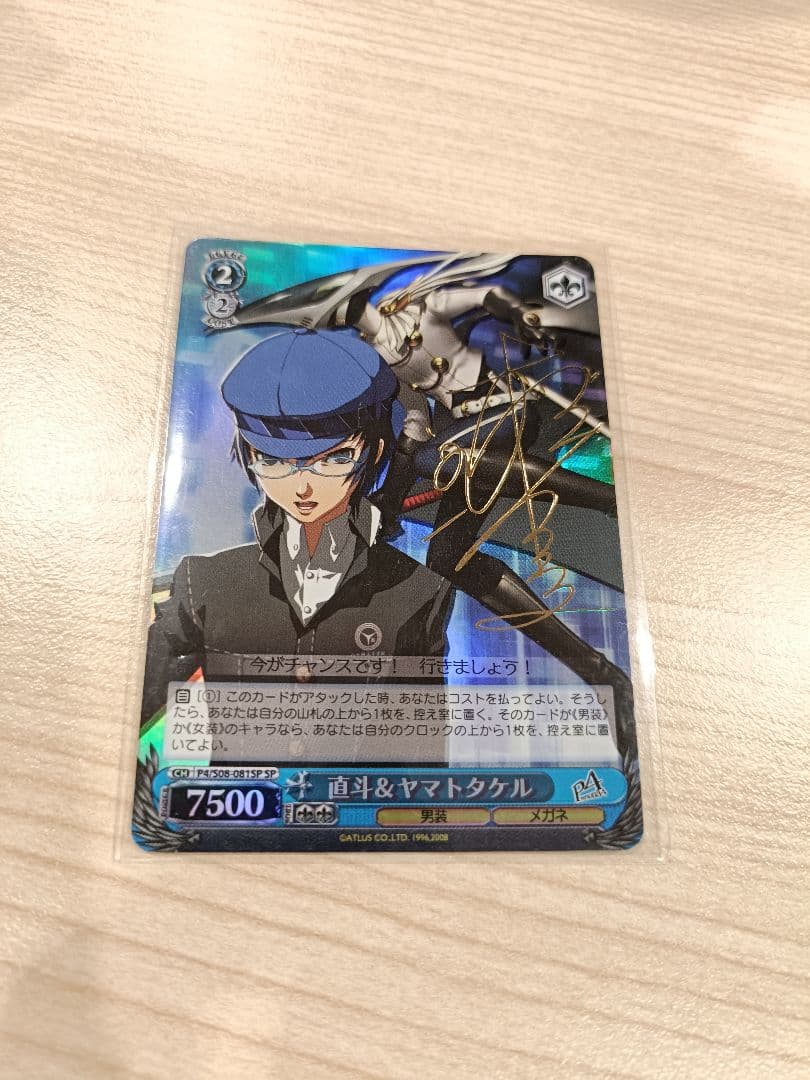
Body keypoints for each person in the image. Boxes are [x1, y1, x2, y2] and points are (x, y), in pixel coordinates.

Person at [140, 327, 454, 725]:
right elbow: (134, 707)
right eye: (273, 461)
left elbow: (419, 744)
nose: (303, 487)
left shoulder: (420, 591)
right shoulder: (202, 583)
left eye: (334, 459)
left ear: (374, 450)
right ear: (250, 454)